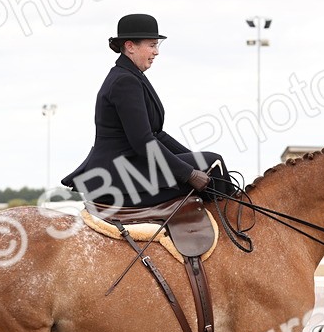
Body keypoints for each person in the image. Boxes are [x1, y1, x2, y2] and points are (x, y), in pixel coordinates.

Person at [62, 14, 229, 210]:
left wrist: (193, 161)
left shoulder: (131, 75)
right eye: (151, 45)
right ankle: (237, 228)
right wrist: (189, 173)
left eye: (157, 45)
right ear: (131, 46)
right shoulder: (125, 81)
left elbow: (158, 135)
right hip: (117, 179)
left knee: (210, 163)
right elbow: (143, 142)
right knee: (212, 161)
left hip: (130, 168)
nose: (156, 52)